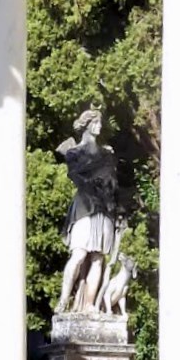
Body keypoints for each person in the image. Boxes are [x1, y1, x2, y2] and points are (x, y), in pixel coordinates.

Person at [55, 109, 119, 313]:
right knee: (79, 253)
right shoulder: (74, 152)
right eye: (96, 122)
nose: (99, 126)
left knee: (98, 257)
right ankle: (64, 298)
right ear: (87, 124)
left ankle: (90, 304)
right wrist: (92, 179)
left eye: (100, 122)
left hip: (104, 205)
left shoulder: (106, 153)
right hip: (85, 205)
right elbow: (75, 176)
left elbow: (112, 181)